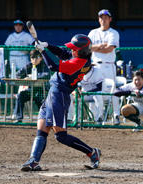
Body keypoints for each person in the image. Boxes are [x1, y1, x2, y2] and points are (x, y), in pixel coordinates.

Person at [21, 34, 101, 171]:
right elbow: (63, 53)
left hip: (60, 95)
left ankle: (92, 152)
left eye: (75, 49)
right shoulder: (78, 56)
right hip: (53, 93)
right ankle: (33, 161)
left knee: (61, 136)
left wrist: (42, 51)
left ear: (82, 51)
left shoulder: (79, 63)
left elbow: (52, 66)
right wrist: (47, 45)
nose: (72, 51)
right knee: (41, 130)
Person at [88, 9, 121, 125]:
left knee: (113, 91)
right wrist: (100, 46)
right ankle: (98, 116)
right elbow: (88, 48)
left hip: (108, 65)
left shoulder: (113, 33)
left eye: (106, 17)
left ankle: (116, 115)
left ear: (110, 19)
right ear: (98, 19)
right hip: (95, 65)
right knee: (96, 91)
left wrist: (95, 47)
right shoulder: (92, 33)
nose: (103, 19)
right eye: (101, 17)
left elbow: (109, 49)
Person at [12, 49, 50, 121]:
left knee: (42, 101)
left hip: (42, 91)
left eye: (37, 57)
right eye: (32, 58)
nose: (34, 60)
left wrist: (34, 77)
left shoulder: (44, 65)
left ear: (41, 58)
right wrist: (25, 78)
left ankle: (43, 119)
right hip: (30, 90)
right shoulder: (28, 66)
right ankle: (19, 118)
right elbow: (18, 74)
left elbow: (47, 75)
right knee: (20, 96)